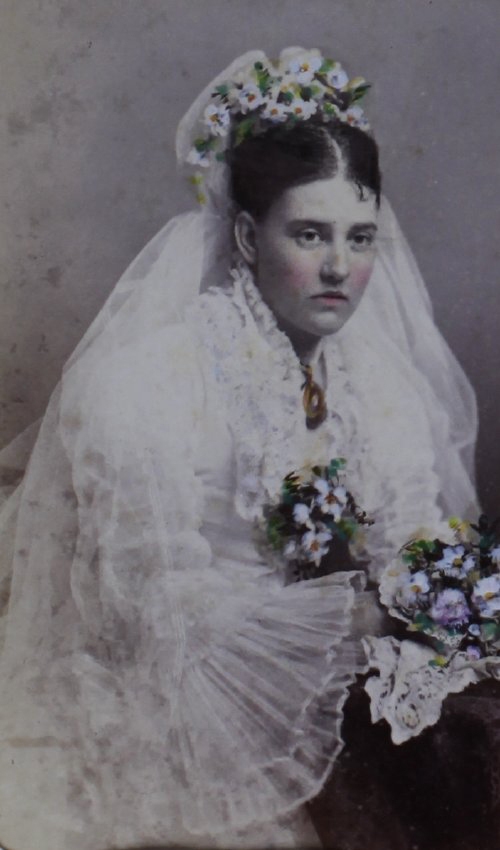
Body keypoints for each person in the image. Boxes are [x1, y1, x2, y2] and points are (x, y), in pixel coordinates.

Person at [0, 48, 478, 850]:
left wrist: (438, 605)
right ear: (250, 239)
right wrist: (356, 620)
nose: (339, 267)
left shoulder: (378, 383)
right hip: (182, 696)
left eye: (360, 239)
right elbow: (149, 616)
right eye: (310, 234)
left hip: (331, 677)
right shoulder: (147, 382)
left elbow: (411, 536)